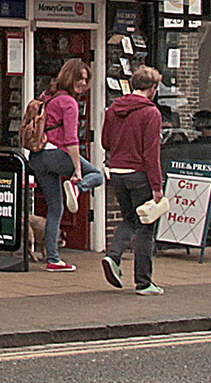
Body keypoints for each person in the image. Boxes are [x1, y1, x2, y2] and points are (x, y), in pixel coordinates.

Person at [101, 64, 167, 295]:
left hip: (117, 172)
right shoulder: (151, 113)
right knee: (146, 227)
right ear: (153, 88)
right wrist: (157, 187)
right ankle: (144, 282)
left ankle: (113, 257)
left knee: (129, 219)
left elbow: (105, 143)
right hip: (140, 174)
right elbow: (151, 153)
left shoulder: (113, 109)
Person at [37, 58, 108, 272]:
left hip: (38, 157)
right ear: (70, 76)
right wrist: (77, 171)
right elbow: (71, 140)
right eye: (80, 78)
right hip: (58, 155)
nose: (83, 83)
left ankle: (53, 259)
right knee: (97, 175)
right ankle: (77, 187)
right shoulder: (69, 103)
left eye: (86, 79)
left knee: (55, 207)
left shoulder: (46, 96)